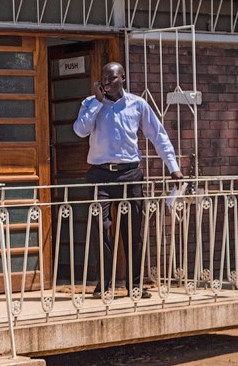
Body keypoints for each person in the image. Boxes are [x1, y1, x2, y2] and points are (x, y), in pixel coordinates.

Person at [73, 62, 185, 298]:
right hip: (99, 174)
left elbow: (158, 136)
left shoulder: (138, 104)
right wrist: (96, 101)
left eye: (111, 78)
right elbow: (80, 131)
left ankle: (134, 285)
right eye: (103, 78)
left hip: (130, 174)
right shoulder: (90, 103)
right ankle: (104, 284)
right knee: (99, 228)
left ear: (123, 78)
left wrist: (173, 167)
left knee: (133, 230)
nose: (106, 82)